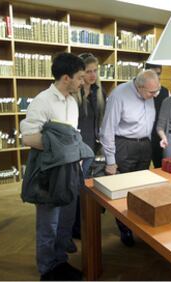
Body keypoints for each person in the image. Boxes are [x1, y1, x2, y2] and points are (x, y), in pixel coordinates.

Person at [20, 52, 86, 281]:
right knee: (48, 223)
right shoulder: (42, 101)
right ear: (66, 78)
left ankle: (60, 261)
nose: (83, 81)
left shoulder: (72, 102)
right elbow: (28, 138)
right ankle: (47, 268)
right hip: (49, 173)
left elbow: (72, 134)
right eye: (79, 77)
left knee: (66, 220)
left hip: (69, 171)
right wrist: (63, 148)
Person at [99, 70, 159, 246]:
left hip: (144, 144)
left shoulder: (150, 92)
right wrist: (110, 161)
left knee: (141, 189)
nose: (155, 95)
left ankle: (139, 225)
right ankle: (124, 227)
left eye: (157, 90)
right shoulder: (119, 95)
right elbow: (107, 129)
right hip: (124, 145)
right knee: (124, 190)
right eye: (151, 92)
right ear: (139, 87)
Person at [70, 53, 106, 240]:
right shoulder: (74, 94)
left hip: (93, 148)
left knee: (88, 188)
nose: (92, 75)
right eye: (88, 71)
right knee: (77, 189)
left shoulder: (99, 92)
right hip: (77, 150)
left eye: (95, 71)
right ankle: (75, 228)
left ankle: (85, 223)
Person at [144, 63, 170, 168]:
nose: (157, 77)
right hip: (143, 138)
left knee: (160, 169)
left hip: (159, 137)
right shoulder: (140, 91)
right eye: (153, 74)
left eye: (158, 74)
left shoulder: (165, 92)